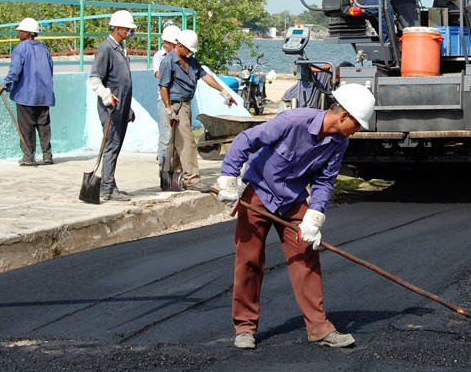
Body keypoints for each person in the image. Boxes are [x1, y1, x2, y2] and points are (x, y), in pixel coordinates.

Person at [216, 83, 376, 350]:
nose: (358, 130)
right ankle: (244, 328)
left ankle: (319, 328)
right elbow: (245, 140)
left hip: (292, 200)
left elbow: (325, 182)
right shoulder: (292, 121)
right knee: (248, 259)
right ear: (344, 115)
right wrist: (228, 179)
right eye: (357, 124)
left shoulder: (339, 143)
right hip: (258, 191)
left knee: (306, 256)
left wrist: (314, 218)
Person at [159, 28, 235, 191]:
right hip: (176, 106)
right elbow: (163, 86)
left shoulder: (191, 61)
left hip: (187, 104)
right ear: (180, 45)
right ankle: (192, 179)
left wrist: (222, 90)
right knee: (187, 143)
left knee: (176, 143)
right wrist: (168, 108)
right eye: (188, 49)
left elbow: (205, 76)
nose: (190, 53)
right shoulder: (168, 62)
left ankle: (168, 176)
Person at [89, 10, 137, 202]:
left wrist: (128, 108)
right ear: (117, 28)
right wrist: (105, 94)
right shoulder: (106, 49)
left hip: (122, 107)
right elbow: (95, 79)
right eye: (127, 29)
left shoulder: (121, 48)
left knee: (115, 146)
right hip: (111, 107)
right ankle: (107, 188)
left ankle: (110, 183)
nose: (130, 33)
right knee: (111, 145)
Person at [0, 17, 55, 166]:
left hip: (26, 94)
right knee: (43, 125)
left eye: (21, 31)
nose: (19, 34)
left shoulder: (20, 48)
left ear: (28, 33)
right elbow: (50, 70)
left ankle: (29, 157)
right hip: (44, 94)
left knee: (27, 126)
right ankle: (47, 155)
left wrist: (4, 85)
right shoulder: (45, 49)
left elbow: (15, 71)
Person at [152, 24, 181, 179]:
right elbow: (159, 75)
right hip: (164, 101)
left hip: (179, 101)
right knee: (165, 138)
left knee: (178, 138)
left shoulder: (182, 57)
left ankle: (176, 170)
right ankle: (163, 170)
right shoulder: (159, 57)